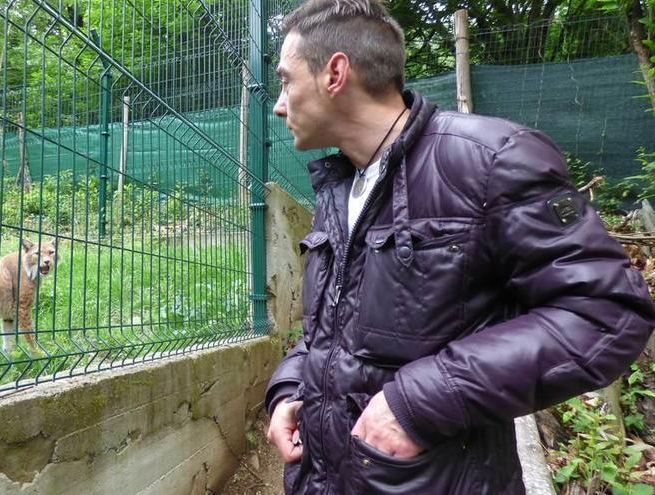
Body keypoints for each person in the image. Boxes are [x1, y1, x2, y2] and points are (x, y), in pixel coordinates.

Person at [264, 1, 655, 493]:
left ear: (335, 73)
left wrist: (421, 402)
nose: (279, 104)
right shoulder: (337, 191)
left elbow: (606, 313)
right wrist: (290, 389)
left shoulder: (491, 161)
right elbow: (331, 327)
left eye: (285, 79)